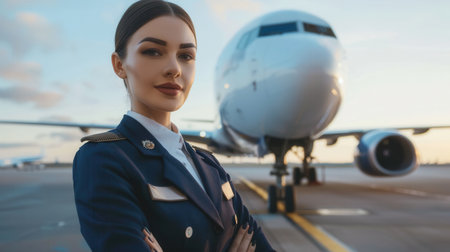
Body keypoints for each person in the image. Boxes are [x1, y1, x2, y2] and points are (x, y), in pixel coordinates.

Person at [72, 0, 275, 251]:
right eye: (153, 51)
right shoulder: (103, 160)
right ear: (119, 65)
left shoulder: (209, 165)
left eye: (186, 56)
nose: (174, 69)